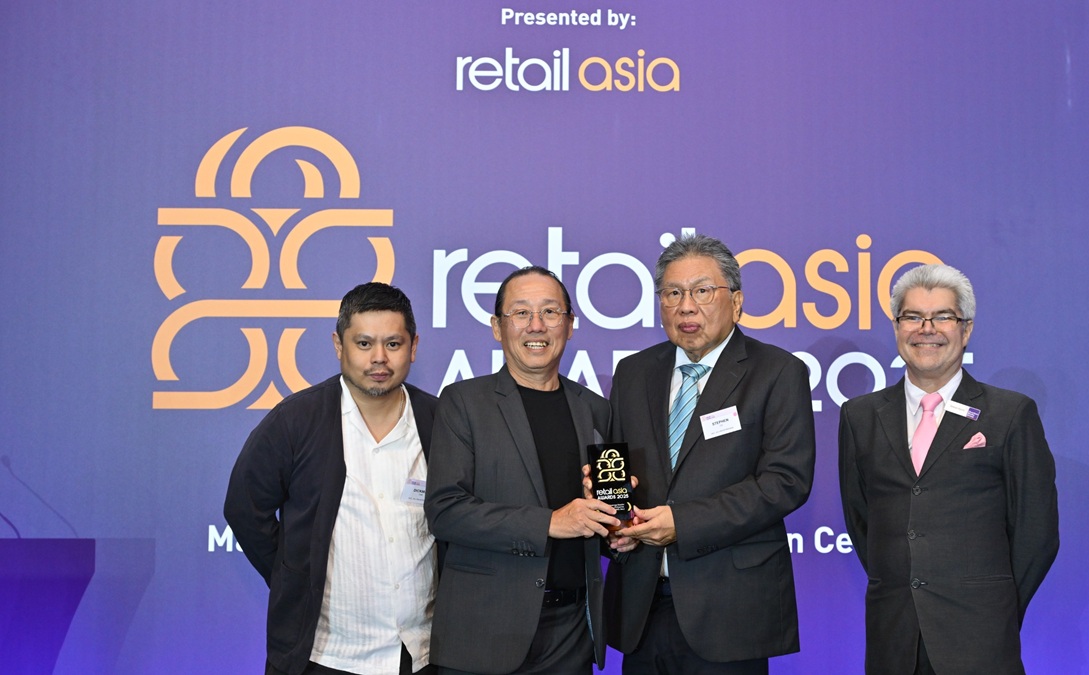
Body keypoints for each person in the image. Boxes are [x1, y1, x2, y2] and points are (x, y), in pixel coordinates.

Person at [603, 234, 817, 674]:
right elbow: (619, 471)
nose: (686, 307)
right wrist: (617, 526)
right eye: (672, 293)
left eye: (702, 291)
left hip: (729, 610)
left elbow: (785, 482)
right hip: (642, 607)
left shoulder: (777, 372)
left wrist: (682, 523)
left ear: (736, 302)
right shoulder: (633, 372)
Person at [838, 263, 1059, 675]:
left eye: (943, 316)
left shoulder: (1010, 414)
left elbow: (1036, 532)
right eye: (912, 317)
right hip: (893, 639)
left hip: (981, 640)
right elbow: (861, 520)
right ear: (896, 326)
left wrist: (995, 607)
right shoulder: (860, 416)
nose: (927, 329)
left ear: (966, 329)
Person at [224, 282, 439, 675]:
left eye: (393, 344)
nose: (379, 358)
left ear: (413, 347)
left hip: (420, 653)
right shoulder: (295, 420)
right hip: (325, 655)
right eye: (364, 344)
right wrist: (296, 577)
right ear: (339, 346)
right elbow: (244, 508)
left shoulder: (440, 422)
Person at [424, 266, 616, 674]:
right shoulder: (463, 403)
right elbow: (445, 511)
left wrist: (620, 527)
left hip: (570, 636)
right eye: (521, 313)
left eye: (550, 312)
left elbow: (600, 523)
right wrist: (549, 523)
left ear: (570, 325)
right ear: (497, 327)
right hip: (482, 633)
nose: (537, 325)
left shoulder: (595, 409)